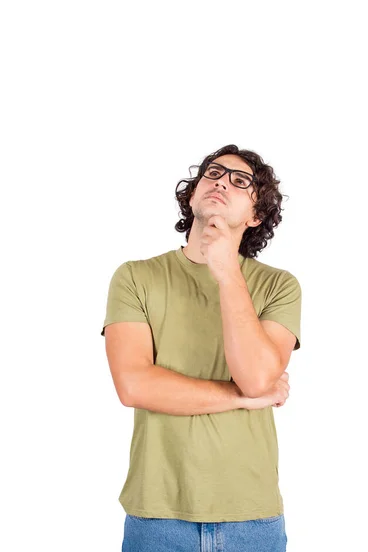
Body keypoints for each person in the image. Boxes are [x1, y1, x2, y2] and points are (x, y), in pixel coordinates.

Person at [101, 144, 302, 551]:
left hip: (252, 517)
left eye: (240, 181)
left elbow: (257, 377)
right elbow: (134, 386)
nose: (221, 182)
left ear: (255, 215)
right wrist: (242, 400)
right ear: (191, 194)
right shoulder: (135, 277)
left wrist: (227, 270)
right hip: (156, 516)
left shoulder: (280, 286)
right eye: (213, 173)